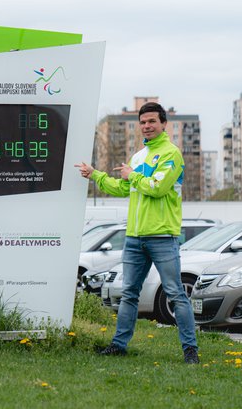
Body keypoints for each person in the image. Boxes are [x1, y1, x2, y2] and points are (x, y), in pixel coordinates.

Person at [75, 102, 199, 364]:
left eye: (152, 121)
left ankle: (190, 351)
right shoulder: (138, 156)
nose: (147, 126)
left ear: (164, 124)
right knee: (129, 293)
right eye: (143, 122)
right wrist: (95, 175)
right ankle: (119, 346)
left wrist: (132, 176)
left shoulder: (171, 154)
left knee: (175, 293)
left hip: (163, 236)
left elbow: (157, 187)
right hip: (134, 237)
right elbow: (124, 188)